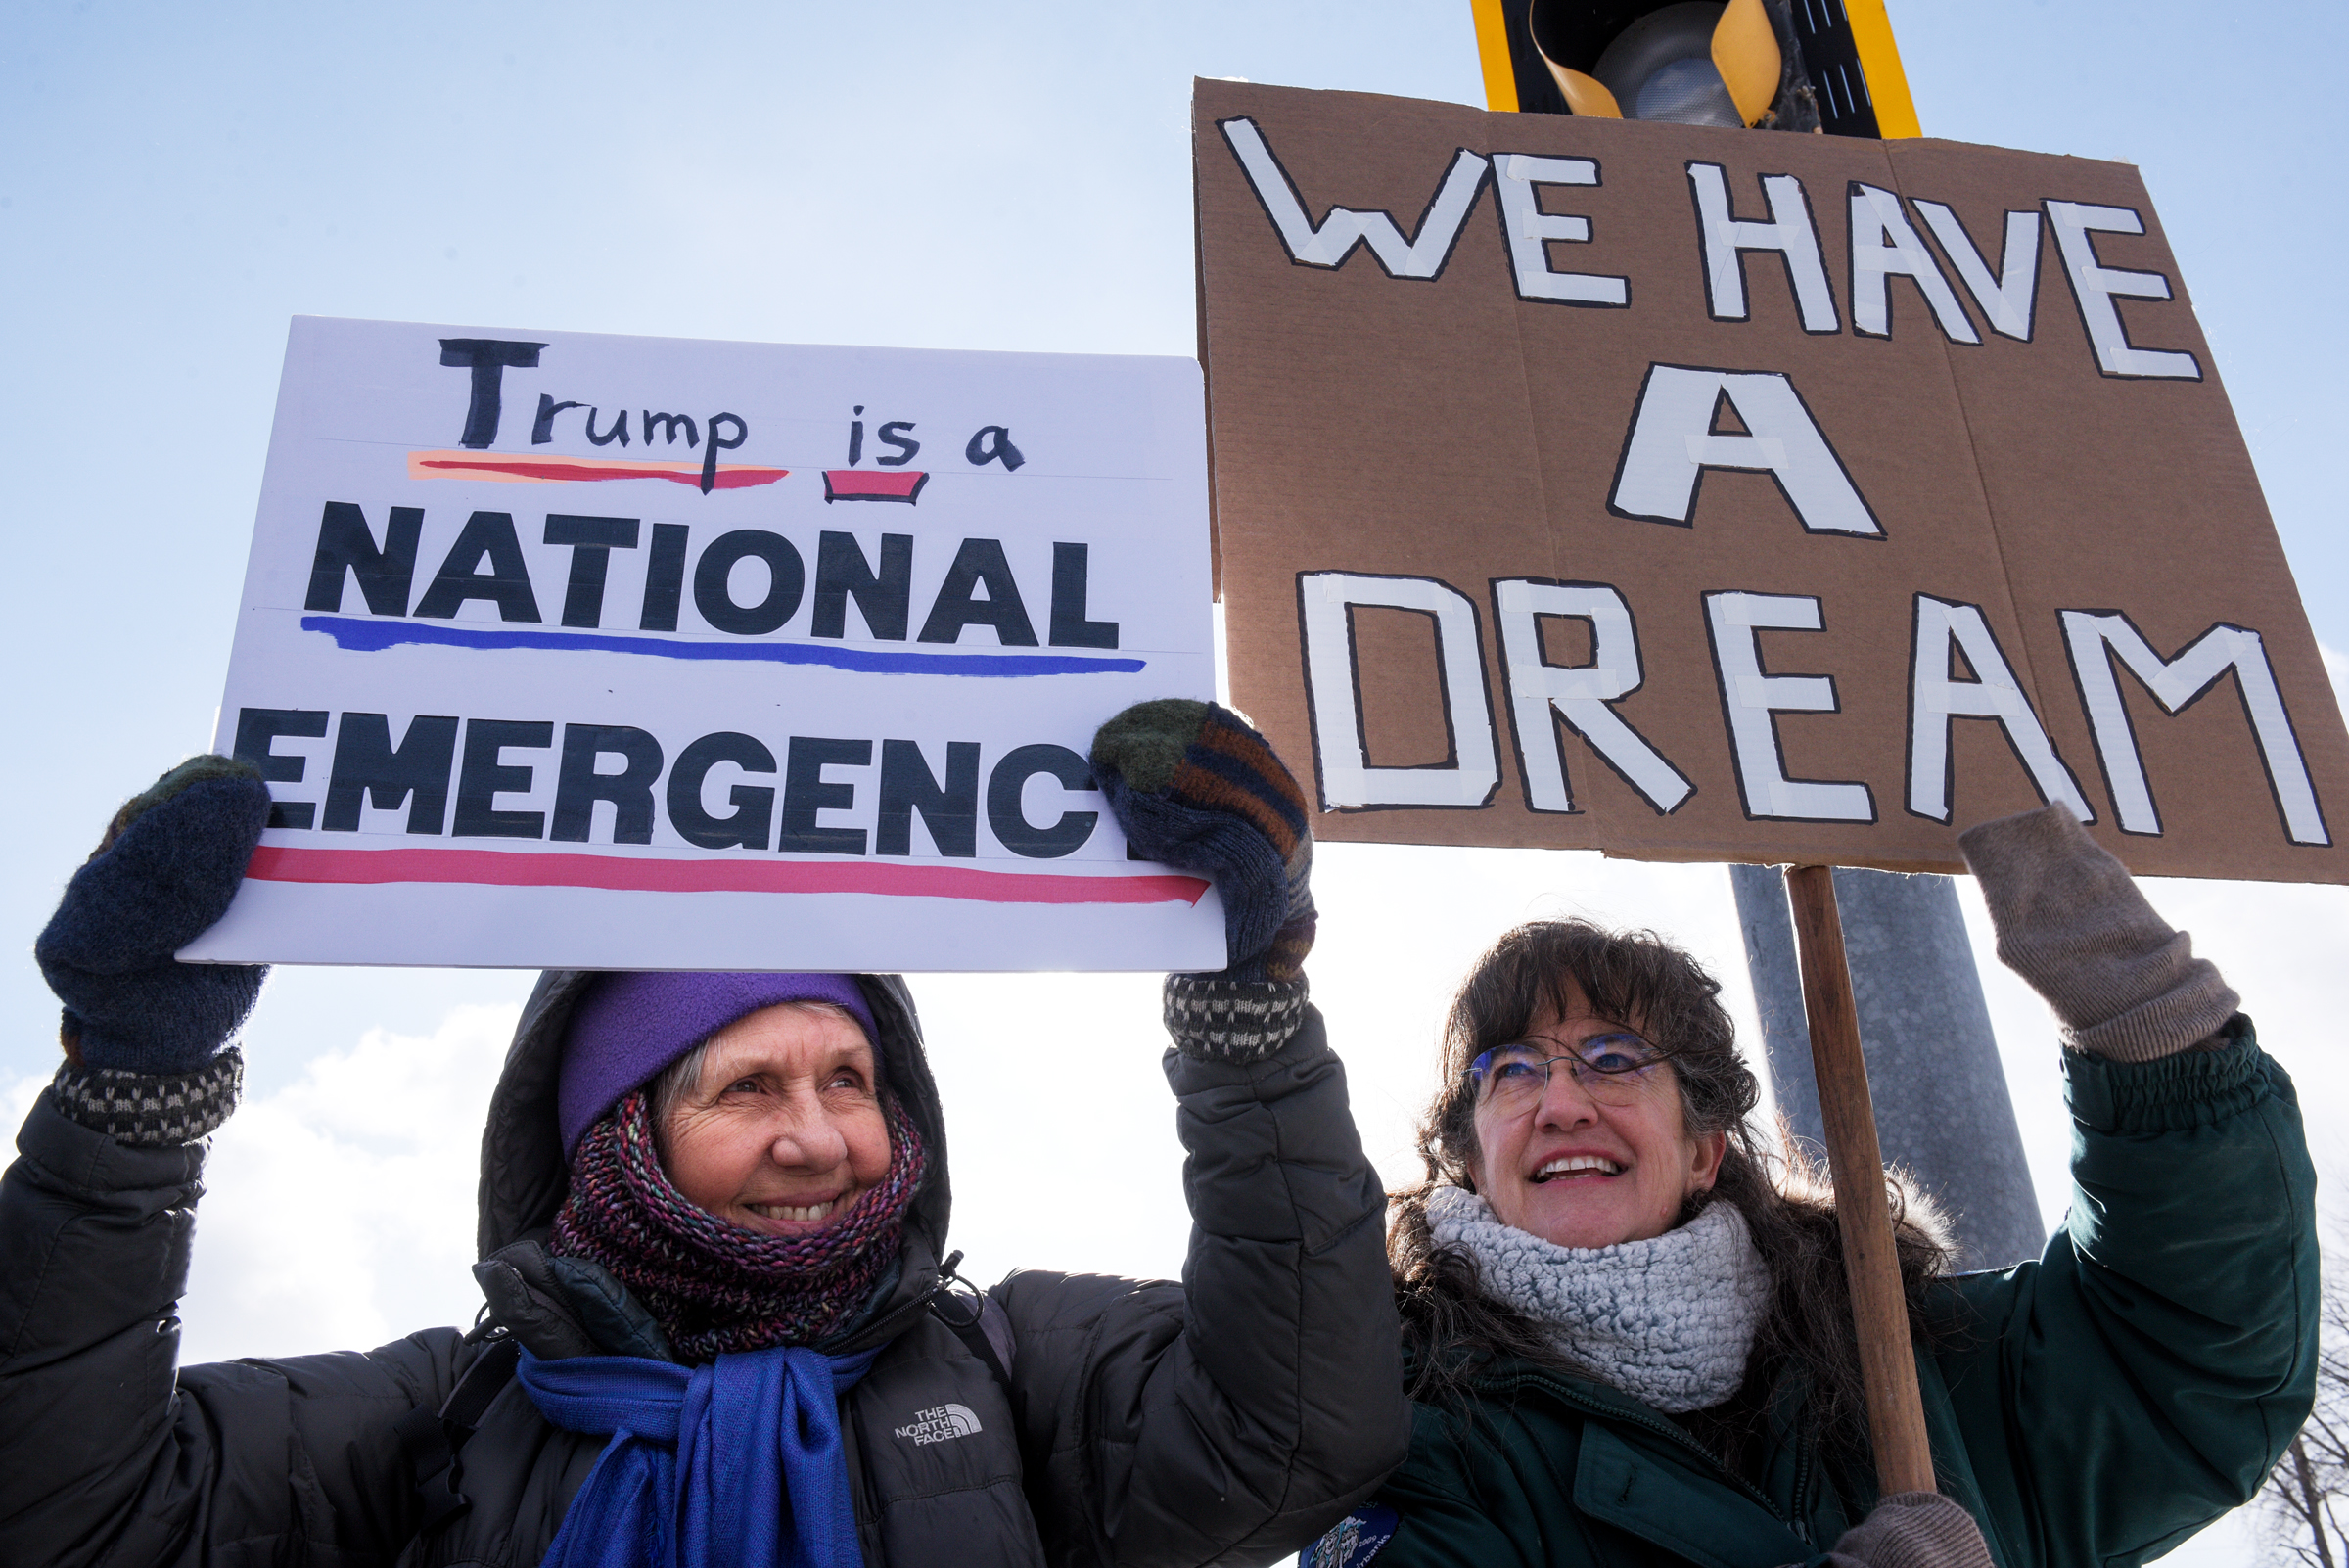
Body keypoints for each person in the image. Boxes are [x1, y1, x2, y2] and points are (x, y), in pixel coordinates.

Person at [0, 699, 1409, 1568]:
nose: (819, 1138)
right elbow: (74, 1518)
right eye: (744, 1089)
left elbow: (1296, 1432)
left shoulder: (1014, 1361)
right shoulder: (450, 1410)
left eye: (850, 1079)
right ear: (615, 1132)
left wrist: (1249, 1013)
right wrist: (130, 1103)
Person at [1315, 805, 2317, 1568]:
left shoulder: (1921, 1373)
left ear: (1705, 1151)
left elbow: (2187, 1357)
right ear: (1474, 1159)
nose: (1563, 1102)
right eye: (1513, 1071)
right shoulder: (1403, 1432)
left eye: (1613, 1059)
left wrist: (2149, 1024)